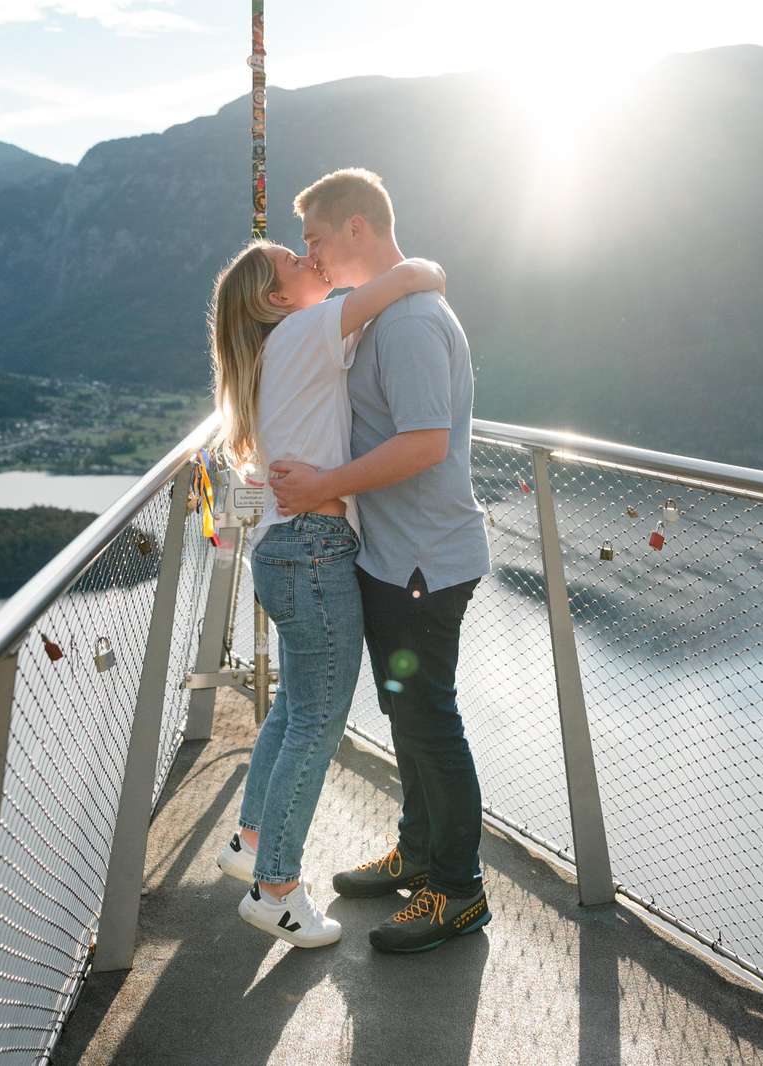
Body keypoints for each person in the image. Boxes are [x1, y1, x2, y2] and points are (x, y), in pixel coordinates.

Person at [269, 168, 494, 954]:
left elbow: (426, 443)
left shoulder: (407, 325)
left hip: (426, 562)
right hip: (397, 558)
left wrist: (326, 485)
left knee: (429, 720)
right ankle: (420, 854)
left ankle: (458, 892)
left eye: (317, 238)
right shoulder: (382, 314)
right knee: (407, 712)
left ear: (356, 227)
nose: (313, 253)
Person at [205, 236, 447, 949]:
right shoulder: (308, 329)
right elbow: (407, 277)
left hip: (286, 549)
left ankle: (252, 840)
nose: (311, 262)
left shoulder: (281, 348)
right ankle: (276, 889)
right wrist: (432, 272)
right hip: (313, 551)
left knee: (294, 707)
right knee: (317, 721)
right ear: (276, 298)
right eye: (293, 259)